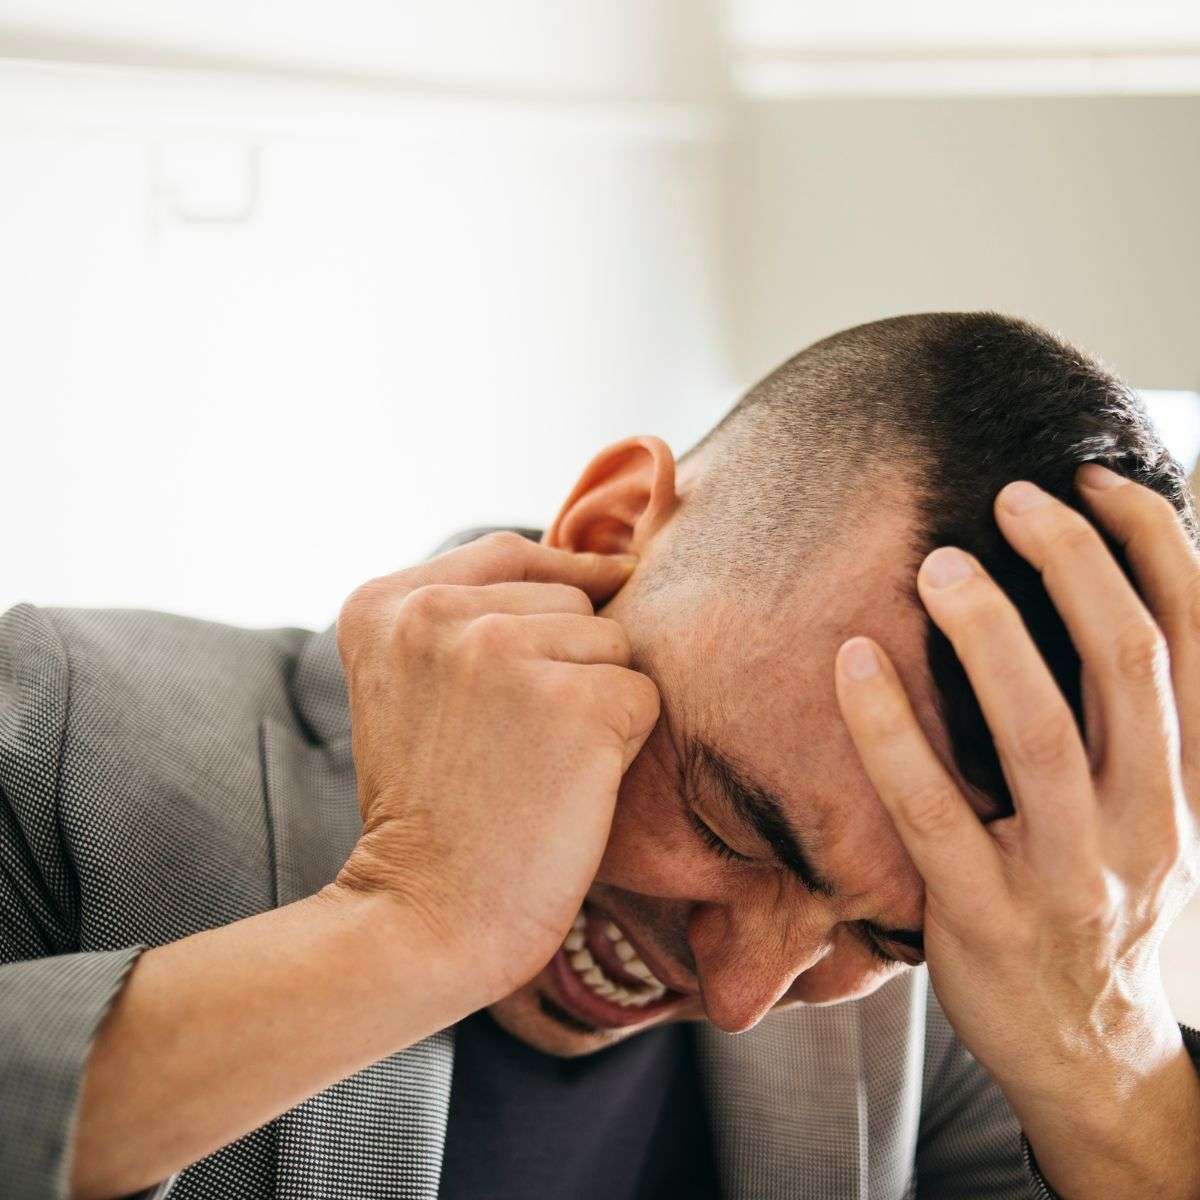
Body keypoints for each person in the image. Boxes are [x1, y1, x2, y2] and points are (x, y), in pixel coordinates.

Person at [3, 312, 1198, 1200]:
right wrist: (413, 919)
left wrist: (1107, 1052)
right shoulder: (57, 725)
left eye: (881, 938)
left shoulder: (972, 1003)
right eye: (733, 820)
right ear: (613, 530)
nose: (742, 998)